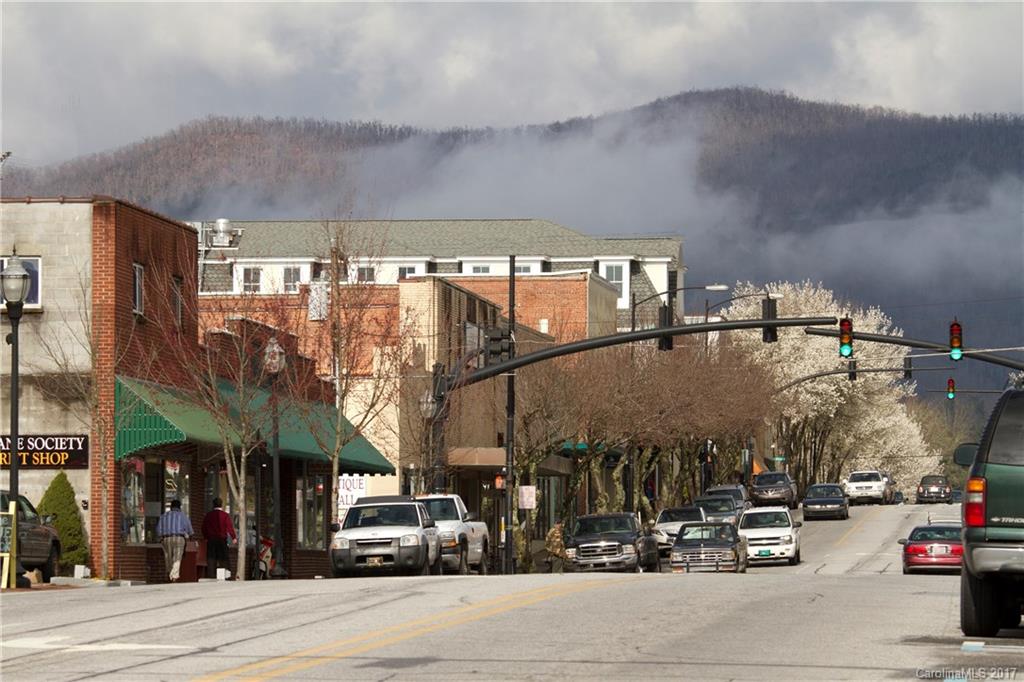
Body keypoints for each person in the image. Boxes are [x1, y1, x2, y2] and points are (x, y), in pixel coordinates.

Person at [156, 499, 194, 582]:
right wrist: (190, 537)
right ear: (180, 507)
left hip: (166, 538)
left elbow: (158, 530)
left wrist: (161, 538)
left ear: (171, 507)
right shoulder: (183, 516)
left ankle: (169, 573)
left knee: (168, 558)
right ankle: (173, 576)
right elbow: (190, 530)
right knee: (177, 557)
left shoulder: (164, 516)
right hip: (179, 538)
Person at [201, 497, 236, 579]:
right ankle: (225, 576)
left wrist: (206, 537)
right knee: (224, 558)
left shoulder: (208, 515)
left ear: (213, 505)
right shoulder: (225, 515)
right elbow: (229, 527)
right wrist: (233, 537)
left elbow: (203, 528)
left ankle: (211, 576)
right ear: (221, 505)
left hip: (211, 540)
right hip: (222, 540)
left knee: (211, 558)